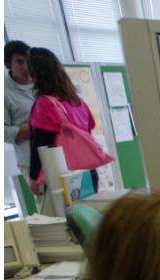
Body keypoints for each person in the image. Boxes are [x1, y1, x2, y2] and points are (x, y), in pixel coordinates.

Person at [26, 47, 102, 193]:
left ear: (34, 72)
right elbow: (88, 130)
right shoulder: (77, 101)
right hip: (88, 170)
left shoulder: (45, 103)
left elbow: (41, 144)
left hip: (64, 175)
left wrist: (34, 177)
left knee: (65, 215)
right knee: (88, 213)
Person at [4, 40, 35, 178]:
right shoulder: (4, 92)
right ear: (9, 64)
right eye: (20, 62)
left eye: (28, 61)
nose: (26, 67)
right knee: (47, 199)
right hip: (31, 159)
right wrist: (35, 130)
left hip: (61, 151)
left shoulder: (43, 82)